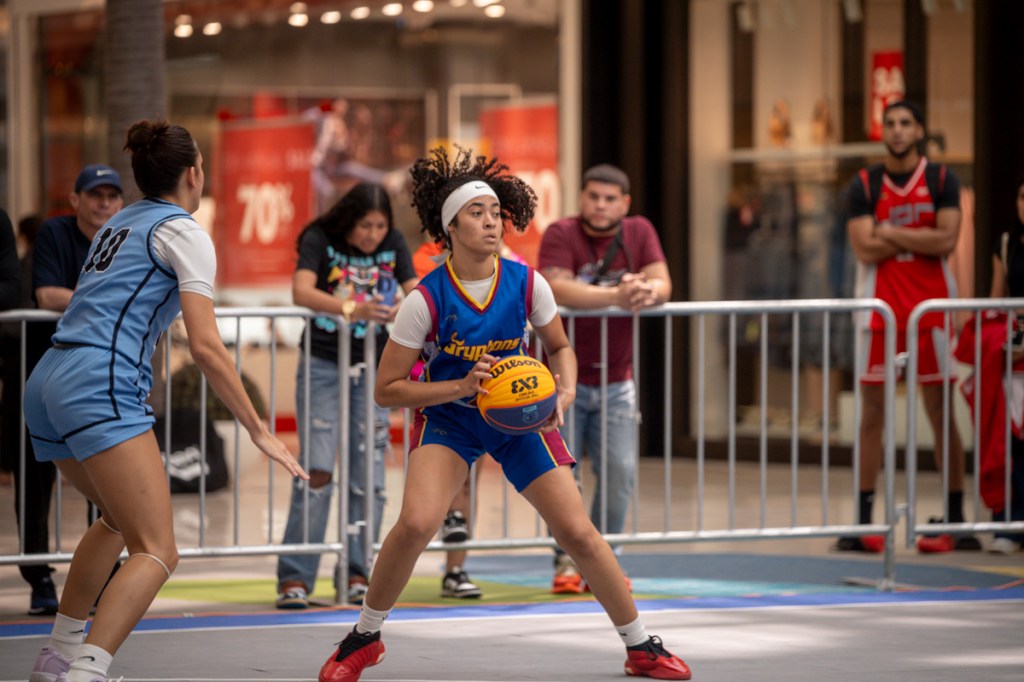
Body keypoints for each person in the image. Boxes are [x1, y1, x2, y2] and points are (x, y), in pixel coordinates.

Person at [316, 147, 691, 682]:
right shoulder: (425, 299)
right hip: (450, 418)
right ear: (450, 227)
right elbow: (387, 390)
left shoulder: (527, 282)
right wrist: (460, 386)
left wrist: (563, 392)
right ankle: (365, 636)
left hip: (519, 420)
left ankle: (640, 646)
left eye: (496, 211)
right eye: (477, 212)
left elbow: (559, 347)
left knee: (579, 533)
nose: (492, 221)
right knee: (416, 524)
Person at [24, 120, 307, 682]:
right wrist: (258, 428)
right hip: (99, 379)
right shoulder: (184, 232)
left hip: (49, 378)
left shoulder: (120, 222)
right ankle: (87, 670)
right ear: (194, 173)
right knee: (157, 550)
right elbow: (206, 345)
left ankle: (57, 656)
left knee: (115, 520)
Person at [841, 99, 979, 554]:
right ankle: (864, 523)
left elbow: (947, 239)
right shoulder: (865, 183)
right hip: (879, 315)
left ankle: (954, 518)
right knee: (871, 417)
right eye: (890, 123)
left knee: (940, 413)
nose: (897, 130)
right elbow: (864, 248)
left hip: (931, 312)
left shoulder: (941, 179)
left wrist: (888, 232)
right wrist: (920, 237)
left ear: (919, 130)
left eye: (905, 123)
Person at [276, 182, 417, 610]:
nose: (373, 235)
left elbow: (416, 289)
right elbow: (301, 291)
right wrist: (353, 309)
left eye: (380, 226)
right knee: (317, 469)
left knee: (369, 473)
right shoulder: (319, 237)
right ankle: (296, 576)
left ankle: (358, 570)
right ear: (348, 219)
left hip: (374, 366)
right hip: (322, 363)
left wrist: (404, 309)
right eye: (364, 225)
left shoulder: (395, 242)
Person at [537, 164, 672, 593]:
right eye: (593, 196)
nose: (600, 205)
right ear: (581, 197)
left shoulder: (639, 231)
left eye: (610, 199)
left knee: (620, 473)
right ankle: (567, 560)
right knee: (562, 476)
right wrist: (617, 295)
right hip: (562, 379)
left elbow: (662, 282)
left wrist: (648, 292)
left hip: (617, 379)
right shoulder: (560, 233)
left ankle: (602, 561)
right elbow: (556, 288)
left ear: (624, 203)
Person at [4, 166, 127, 618]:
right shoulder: (55, 233)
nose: (104, 203)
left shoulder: (125, 236)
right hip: (43, 371)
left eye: (112, 195)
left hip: (99, 376)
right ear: (75, 200)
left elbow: (66, 297)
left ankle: (104, 574)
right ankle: (38, 576)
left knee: (106, 477)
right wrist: (106, 302)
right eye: (95, 194)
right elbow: (46, 295)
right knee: (35, 477)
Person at [979, 173, 1024, 554]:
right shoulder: (1006, 243)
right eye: (1023, 196)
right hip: (1013, 355)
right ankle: (1008, 525)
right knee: (1006, 442)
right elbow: (996, 300)